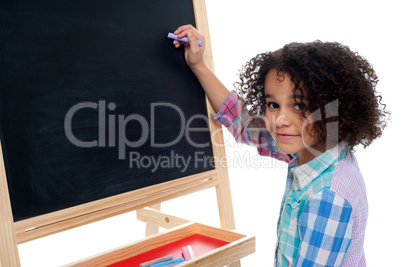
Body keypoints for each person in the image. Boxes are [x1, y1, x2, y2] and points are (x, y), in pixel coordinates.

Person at [171, 25, 389, 266]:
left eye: (298, 106)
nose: (280, 121)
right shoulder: (315, 149)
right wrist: (198, 65)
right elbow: (244, 124)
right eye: (273, 105)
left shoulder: (327, 197)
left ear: (333, 110)